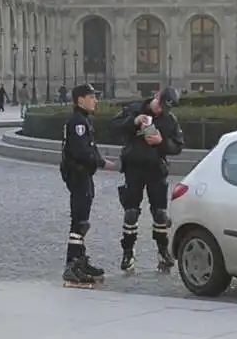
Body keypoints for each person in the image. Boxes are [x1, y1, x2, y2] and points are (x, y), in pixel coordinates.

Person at [111, 86, 184, 273]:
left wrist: (162, 142)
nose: (160, 110)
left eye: (165, 108)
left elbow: (178, 146)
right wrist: (134, 121)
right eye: (160, 104)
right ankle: (128, 253)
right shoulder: (134, 109)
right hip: (133, 168)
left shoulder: (169, 120)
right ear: (156, 95)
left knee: (160, 213)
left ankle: (163, 251)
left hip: (156, 169)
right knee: (131, 213)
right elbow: (114, 126)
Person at [60, 83, 116, 288]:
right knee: (79, 221)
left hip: (83, 174)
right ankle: (72, 265)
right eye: (91, 97)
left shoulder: (83, 120)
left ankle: (80, 260)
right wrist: (101, 163)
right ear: (80, 100)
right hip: (78, 174)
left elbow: (91, 147)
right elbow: (81, 151)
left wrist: (99, 160)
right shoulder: (78, 122)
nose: (95, 101)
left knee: (82, 220)